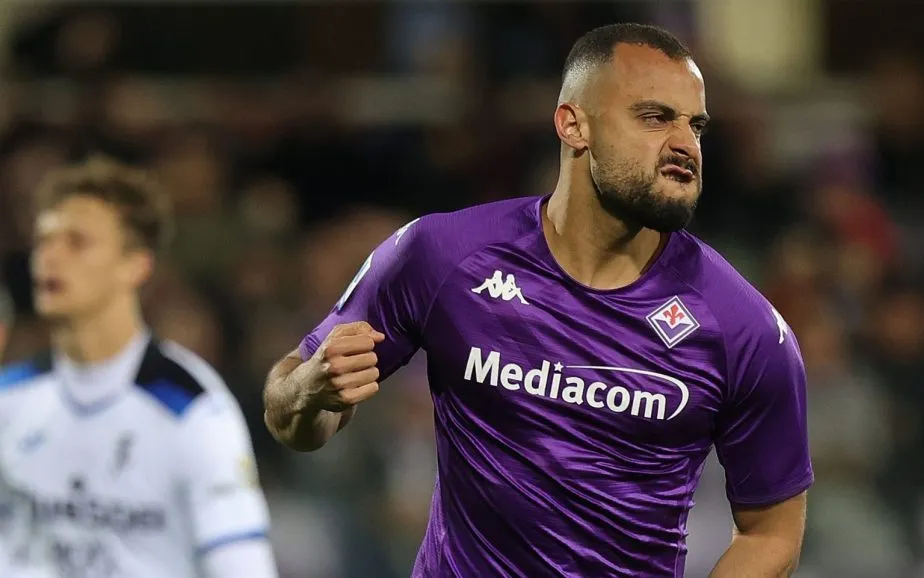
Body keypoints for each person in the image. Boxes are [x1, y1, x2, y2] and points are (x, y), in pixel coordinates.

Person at [265, 22, 813, 577]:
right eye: (654, 117)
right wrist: (312, 391)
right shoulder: (442, 254)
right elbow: (288, 415)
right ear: (573, 125)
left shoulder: (744, 329)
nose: (684, 144)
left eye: (695, 125)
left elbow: (772, 532)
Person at [0, 155, 278, 578]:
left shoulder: (193, 410)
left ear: (136, 264)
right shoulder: (9, 398)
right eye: (43, 240)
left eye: (77, 241)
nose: (49, 257)